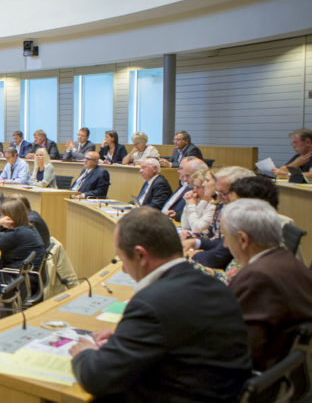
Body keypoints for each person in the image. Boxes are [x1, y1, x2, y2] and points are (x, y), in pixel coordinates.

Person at [68, 207, 251, 401]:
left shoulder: (150, 304)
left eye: (122, 259)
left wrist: (84, 353)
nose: (123, 269)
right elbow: (181, 335)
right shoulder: (214, 285)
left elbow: (97, 377)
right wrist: (129, 337)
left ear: (140, 255)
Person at [221, 199, 312, 370]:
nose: (225, 244)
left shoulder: (257, 277)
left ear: (243, 239)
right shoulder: (288, 260)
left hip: (258, 374)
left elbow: (239, 349)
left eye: (225, 237)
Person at [0, 199, 46, 270]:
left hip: (12, 274)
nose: (0, 218)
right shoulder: (28, 227)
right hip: (26, 273)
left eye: (2, 215)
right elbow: (5, 237)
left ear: (10, 218)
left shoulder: (16, 234)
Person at [180, 169, 216, 234]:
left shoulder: (214, 206)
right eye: (193, 187)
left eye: (197, 187)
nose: (194, 191)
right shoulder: (202, 202)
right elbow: (185, 226)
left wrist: (191, 206)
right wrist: (188, 203)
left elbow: (196, 229)